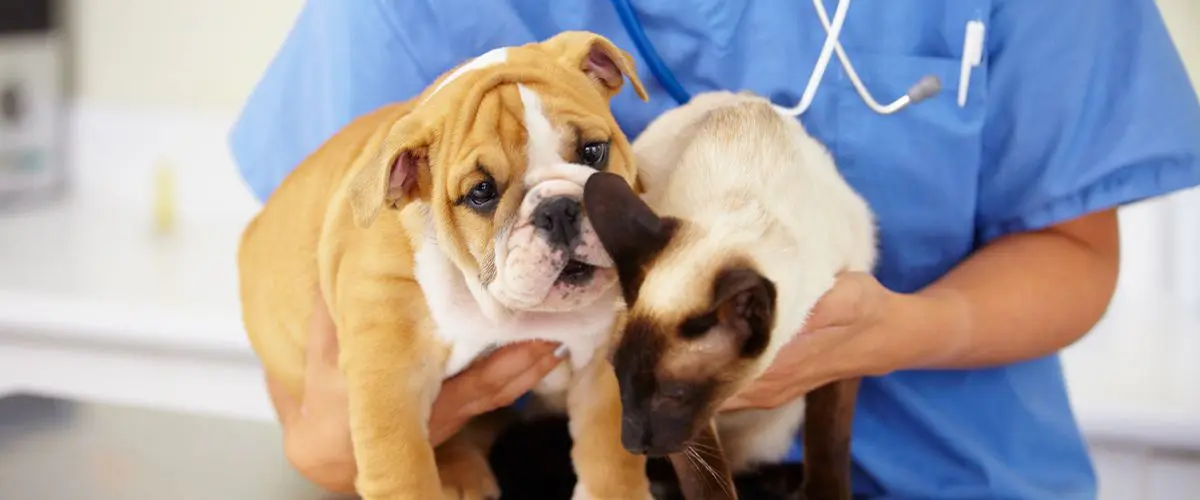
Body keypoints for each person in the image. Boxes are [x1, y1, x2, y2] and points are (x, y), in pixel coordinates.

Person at [229, 1, 1200, 498]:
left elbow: (1076, 249)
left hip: (937, 474)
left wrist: (898, 330)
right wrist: (354, 442)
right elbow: (316, 345)